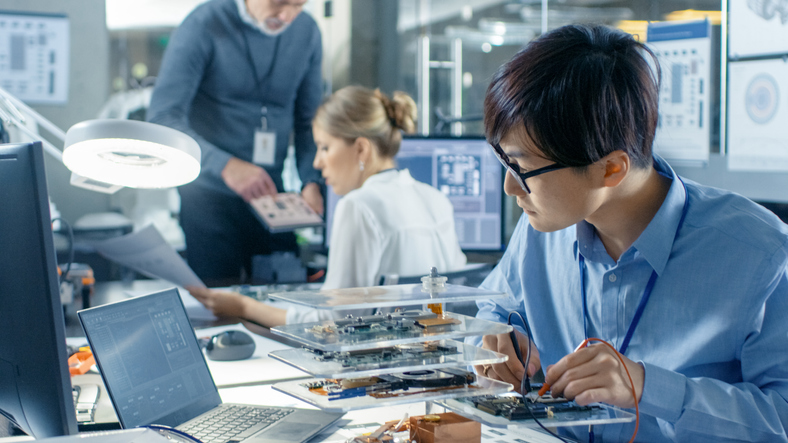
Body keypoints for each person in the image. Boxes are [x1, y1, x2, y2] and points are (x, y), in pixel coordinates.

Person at [467, 24, 788, 442]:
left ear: (611, 168)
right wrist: (495, 338)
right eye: (505, 163)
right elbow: (496, 310)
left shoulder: (760, 253)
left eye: (523, 169)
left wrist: (647, 387)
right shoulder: (540, 231)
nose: (511, 187)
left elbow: (781, 416)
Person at [189, 86, 467, 326]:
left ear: (361, 149)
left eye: (324, 147)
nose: (317, 162)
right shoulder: (436, 199)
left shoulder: (358, 206)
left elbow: (330, 323)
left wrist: (243, 307)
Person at [147, 0, 323, 287]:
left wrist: (311, 181)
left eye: (299, 5)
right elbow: (162, 119)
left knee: (285, 300)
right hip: (208, 193)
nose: (287, 16)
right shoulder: (203, 24)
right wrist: (225, 165)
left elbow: (309, 123)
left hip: (270, 193)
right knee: (219, 303)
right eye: (280, 3)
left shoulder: (307, 32)